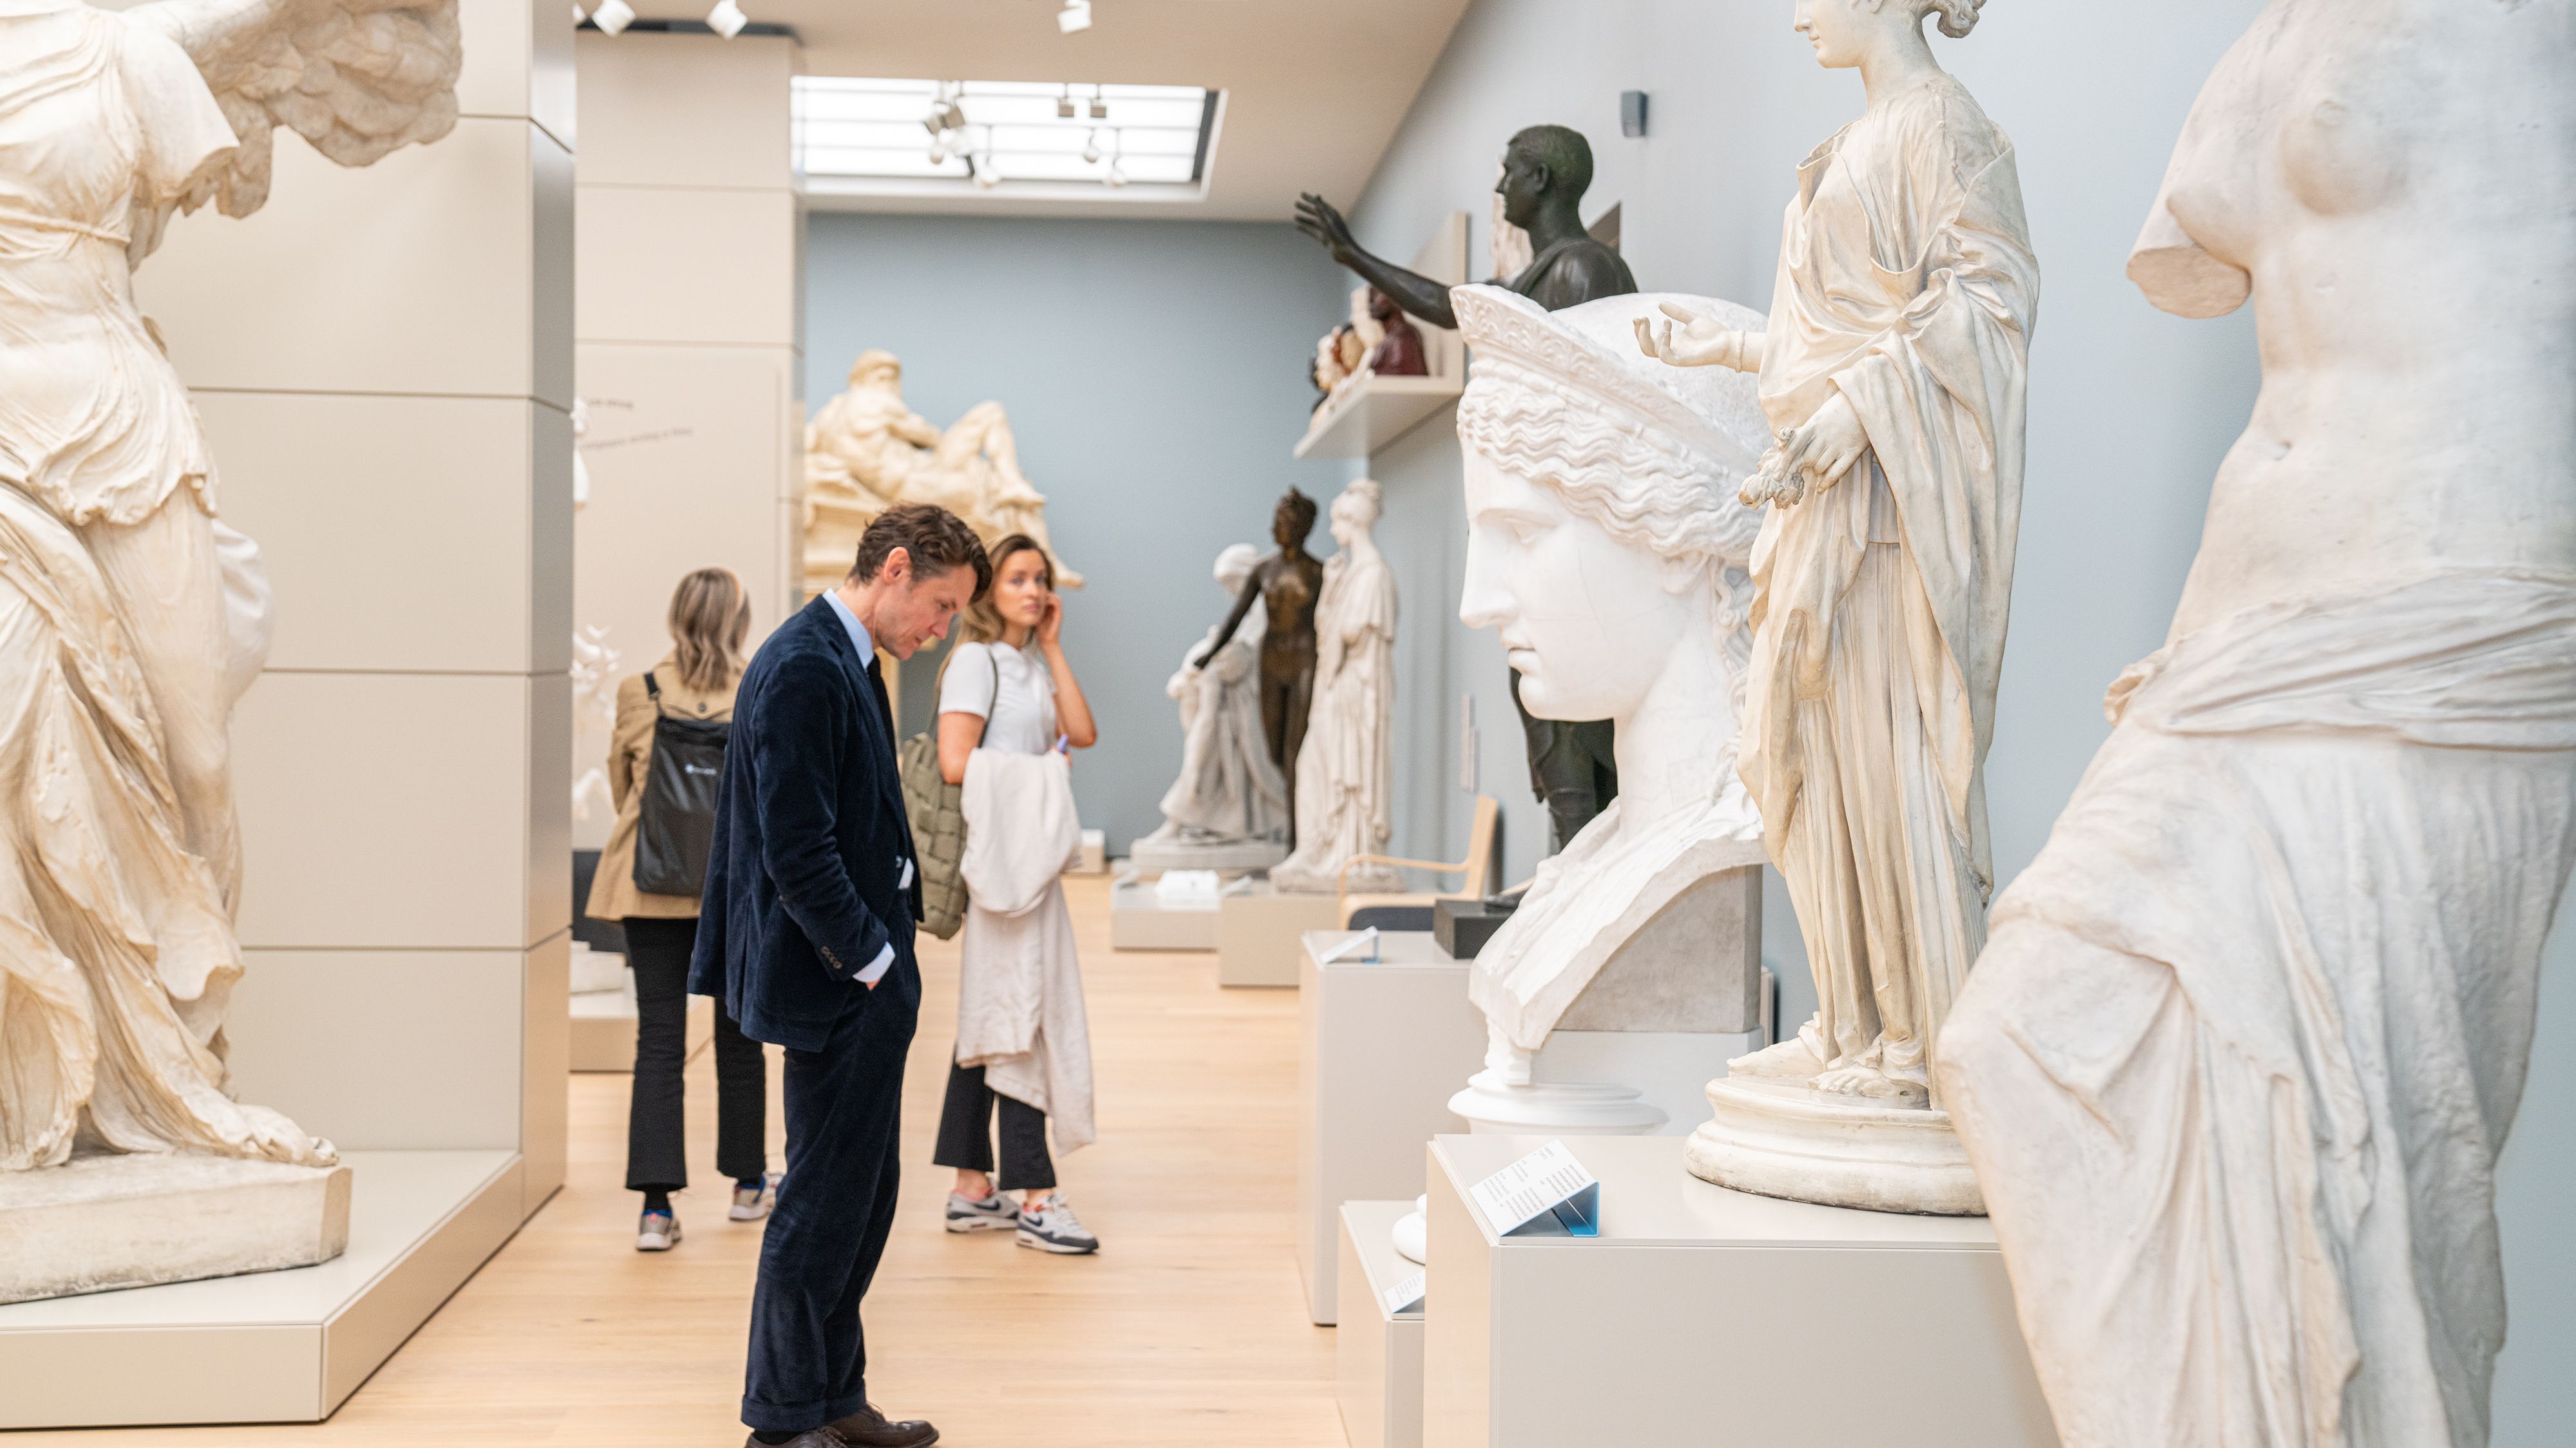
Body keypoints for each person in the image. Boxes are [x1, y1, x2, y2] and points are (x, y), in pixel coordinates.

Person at [691, 504, 990, 1448]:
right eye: (941, 606)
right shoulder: (807, 664)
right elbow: (796, 848)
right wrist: (871, 960)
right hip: (837, 981)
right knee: (821, 1204)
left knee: (860, 1198)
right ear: (894, 569)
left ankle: (834, 1398)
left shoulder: (846, 655)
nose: (941, 630)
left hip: (858, 978)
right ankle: (782, 1422)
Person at [584, 567, 773, 1252]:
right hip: (730, 891)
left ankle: (657, 1210)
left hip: (650, 887)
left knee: (659, 1041)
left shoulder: (643, 690)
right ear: (738, 622)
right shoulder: (756, 688)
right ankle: (749, 1183)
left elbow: (621, 784)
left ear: (676, 618)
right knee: (740, 1036)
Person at [929, 534, 1102, 1254]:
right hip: (1004, 871)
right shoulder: (974, 661)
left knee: (994, 1012)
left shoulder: (1031, 662)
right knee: (1018, 1016)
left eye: (1041, 579)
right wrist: (1040, 775)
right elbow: (954, 760)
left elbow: (1083, 733)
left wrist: (1055, 648)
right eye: (1017, 578)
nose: (1032, 591)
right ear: (988, 590)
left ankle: (973, 1186)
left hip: (1028, 866)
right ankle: (1036, 1193)